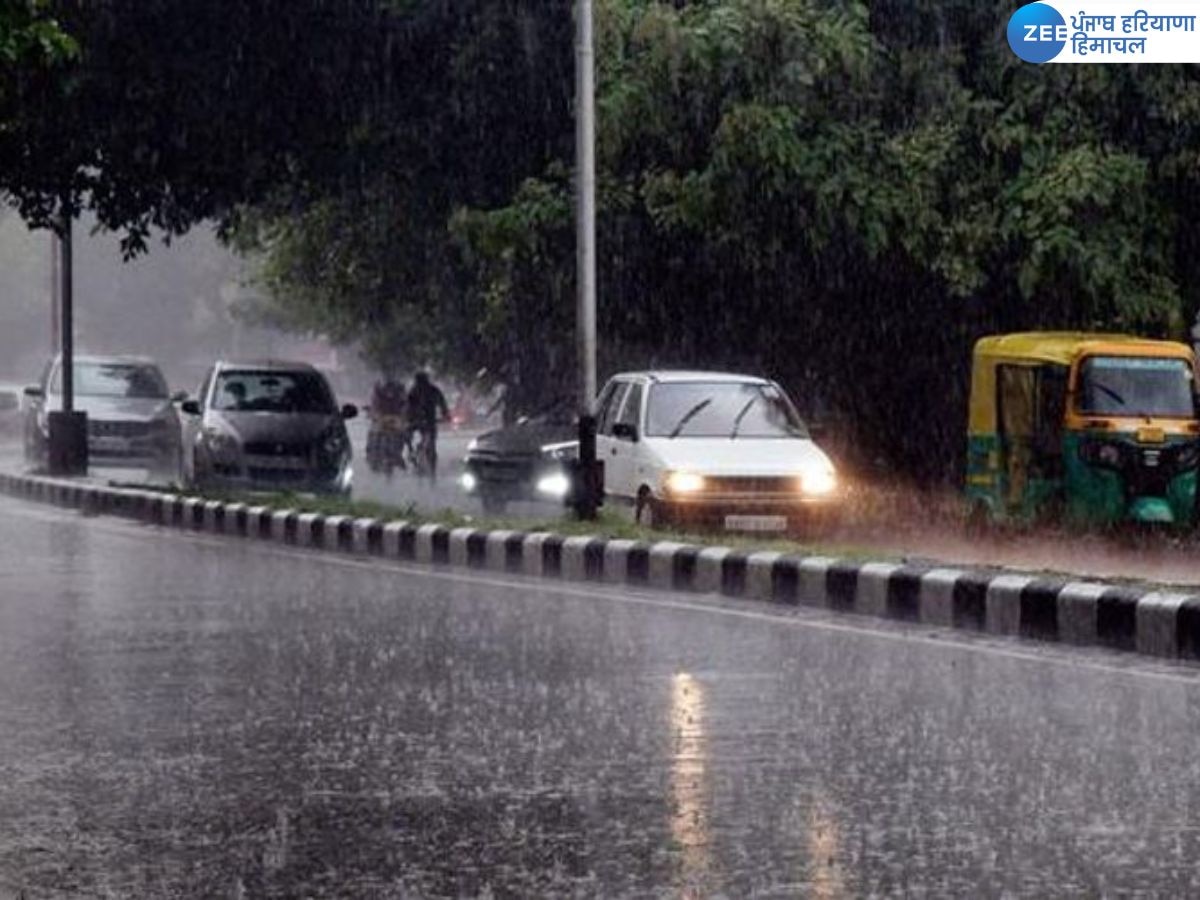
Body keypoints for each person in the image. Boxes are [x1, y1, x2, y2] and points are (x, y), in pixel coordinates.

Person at [407, 370, 449, 478]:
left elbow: (442, 403)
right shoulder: (419, 391)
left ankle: (415, 453)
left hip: (427, 421)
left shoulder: (428, 390)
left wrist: (445, 414)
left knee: (430, 445)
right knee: (410, 437)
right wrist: (445, 415)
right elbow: (408, 406)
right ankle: (412, 452)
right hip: (422, 421)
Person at [368, 370, 410, 474]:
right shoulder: (378, 389)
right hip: (384, 418)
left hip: (393, 418)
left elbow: (405, 403)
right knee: (374, 434)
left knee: (402, 435)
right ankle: (375, 458)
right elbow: (374, 404)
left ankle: (397, 456)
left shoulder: (399, 390)